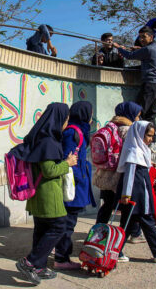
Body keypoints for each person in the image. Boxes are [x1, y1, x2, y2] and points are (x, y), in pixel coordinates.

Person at [11, 102, 78, 285]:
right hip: (48, 194)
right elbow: (49, 170)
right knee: (59, 226)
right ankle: (29, 262)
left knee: (41, 229)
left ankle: (39, 266)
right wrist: (68, 163)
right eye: (66, 119)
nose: (66, 123)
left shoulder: (40, 137)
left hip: (39, 194)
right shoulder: (48, 141)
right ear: (59, 119)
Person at [115, 121, 156, 263]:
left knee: (126, 225)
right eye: (148, 135)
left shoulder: (139, 150)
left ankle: (116, 252)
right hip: (137, 196)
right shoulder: (134, 151)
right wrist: (126, 194)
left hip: (136, 195)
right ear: (139, 134)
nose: (150, 139)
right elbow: (129, 174)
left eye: (152, 136)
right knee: (147, 224)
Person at [54, 101, 97, 270]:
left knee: (68, 221)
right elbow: (68, 158)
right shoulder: (73, 132)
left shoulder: (78, 130)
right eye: (90, 113)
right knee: (68, 223)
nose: (92, 117)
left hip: (76, 182)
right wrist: (79, 177)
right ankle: (61, 258)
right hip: (72, 184)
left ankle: (61, 255)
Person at [94, 101, 142, 224]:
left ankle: (97, 233)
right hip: (120, 176)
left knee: (107, 206)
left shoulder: (111, 126)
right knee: (127, 207)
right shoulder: (128, 130)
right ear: (129, 114)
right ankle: (128, 234)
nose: (138, 118)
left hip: (105, 174)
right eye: (137, 115)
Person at [113, 26, 156, 140]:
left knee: (139, 112)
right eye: (140, 37)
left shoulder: (148, 49)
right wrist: (138, 49)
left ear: (151, 37)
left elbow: (129, 56)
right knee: (151, 114)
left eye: (144, 37)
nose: (141, 39)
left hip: (149, 85)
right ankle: (151, 139)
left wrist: (118, 48)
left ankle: (139, 138)